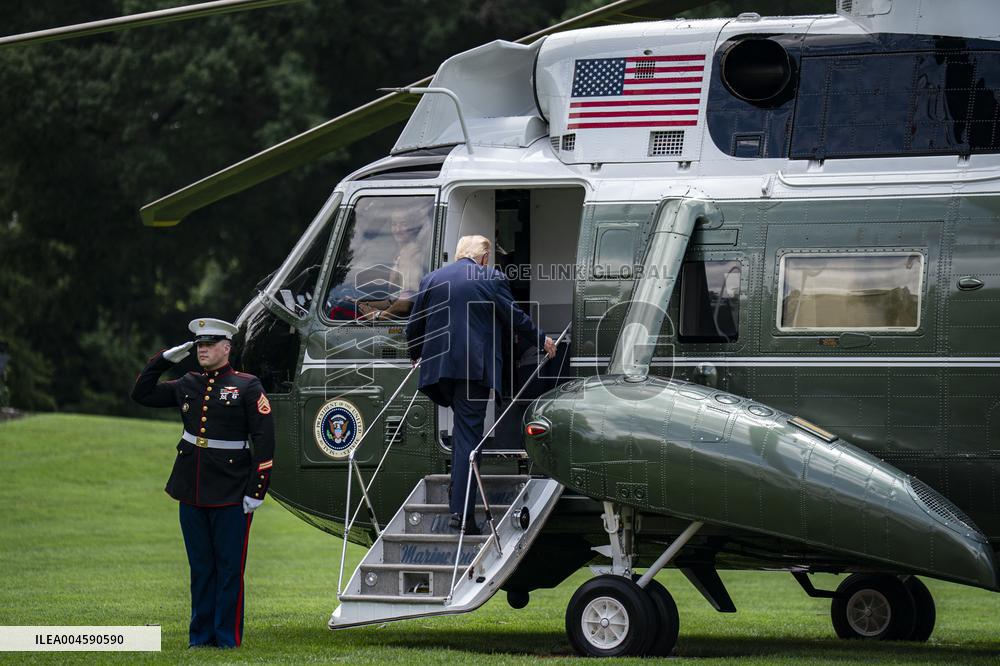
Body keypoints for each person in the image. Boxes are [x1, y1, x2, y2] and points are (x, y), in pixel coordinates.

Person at [130, 318, 275, 648]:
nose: (202, 350)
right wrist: (164, 359)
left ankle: (226, 638)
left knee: (228, 570)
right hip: (191, 488)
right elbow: (141, 394)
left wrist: (257, 491)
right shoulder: (188, 383)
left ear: (227, 347)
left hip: (232, 492)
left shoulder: (247, 385)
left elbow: (264, 442)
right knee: (201, 568)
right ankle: (200, 637)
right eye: (198, 345)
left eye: (209, 344)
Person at [405, 235, 555, 533]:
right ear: (484, 258)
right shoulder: (490, 277)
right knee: (469, 441)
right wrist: (542, 339)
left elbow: (414, 326)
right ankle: (461, 515)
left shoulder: (432, 278)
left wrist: (416, 356)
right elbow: (515, 316)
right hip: (473, 373)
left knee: (462, 438)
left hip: (439, 374)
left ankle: (458, 505)